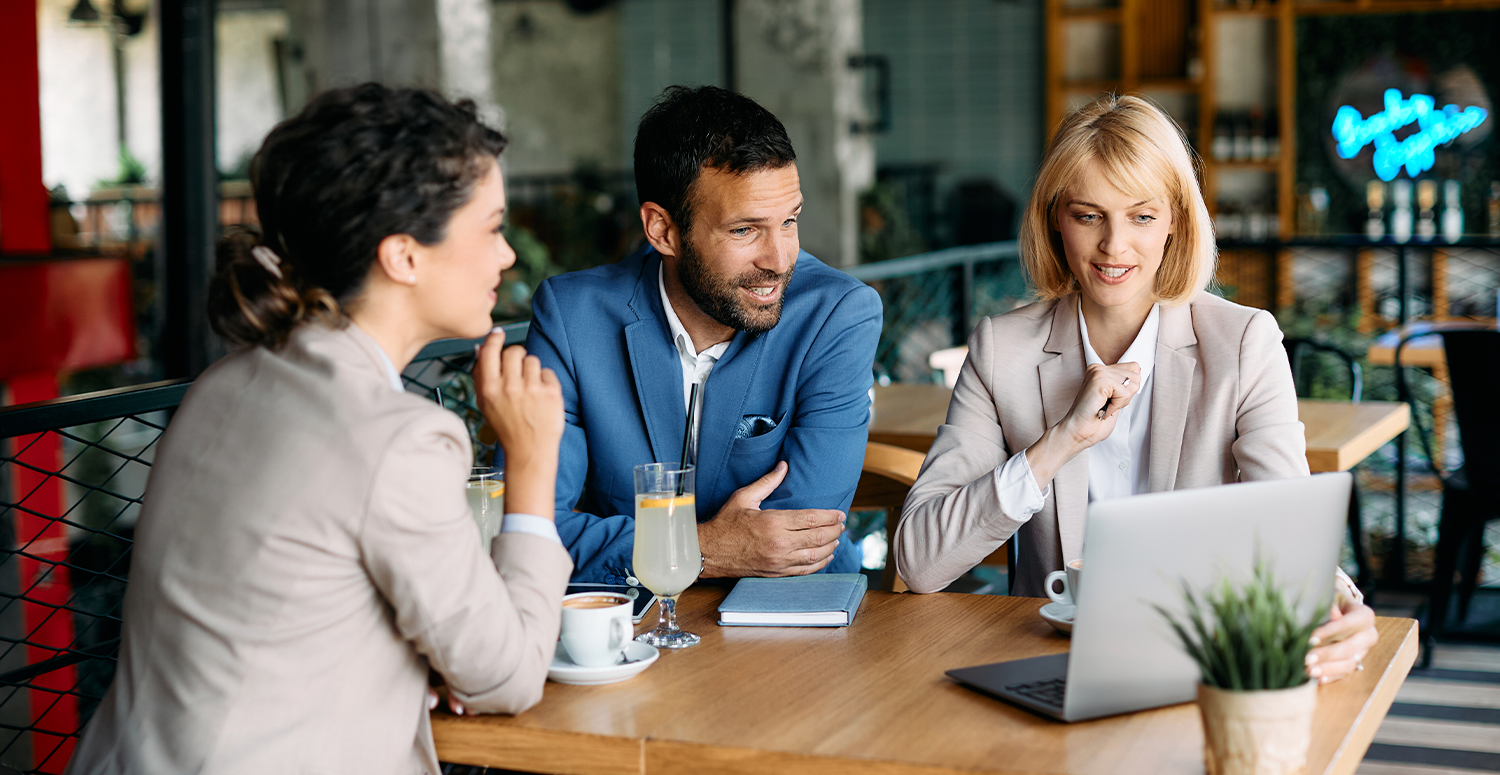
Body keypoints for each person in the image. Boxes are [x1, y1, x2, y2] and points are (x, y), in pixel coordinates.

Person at [67, 84, 571, 774]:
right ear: (404, 257)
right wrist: (533, 462)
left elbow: (289, 612)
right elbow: (508, 676)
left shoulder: (225, 384)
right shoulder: (396, 438)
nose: (508, 255)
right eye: (490, 228)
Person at [893, 94, 1377, 683]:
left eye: (1141, 216)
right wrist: (1056, 446)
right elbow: (919, 561)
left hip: (1202, 664)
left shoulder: (1244, 341)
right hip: (1046, 664)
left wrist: (1335, 594)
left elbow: (1288, 525)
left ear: (1175, 220)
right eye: (1088, 215)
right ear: (1054, 218)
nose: (1114, 247)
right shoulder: (1001, 349)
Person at [526, 85, 882, 584]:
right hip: (624, 630)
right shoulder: (572, 318)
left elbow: (800, 539)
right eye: (744, 230)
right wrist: (707, 548)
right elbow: (534, 531)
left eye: (790, 221)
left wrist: (651, 545)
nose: (780, 261)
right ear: (663, 231)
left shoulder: (837, 314)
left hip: (794, 622)